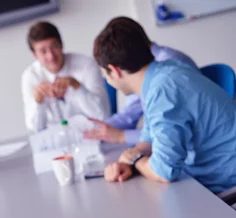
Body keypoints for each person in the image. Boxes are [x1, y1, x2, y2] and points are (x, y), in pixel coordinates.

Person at [93, 20, 236, 193]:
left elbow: (164, 171)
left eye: (105, 75)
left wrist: (136, 160)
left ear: (114, 71)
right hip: (206, 177)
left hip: (225, 185)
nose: (108, 81)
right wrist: (130, 158)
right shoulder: (163, 73)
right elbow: (150, 134)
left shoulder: (163, 89)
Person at [84, 16, 197, 146]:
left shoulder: (163, 77)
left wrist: (123, 139)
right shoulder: (148, 75)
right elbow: (140, 118)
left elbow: (168, 144)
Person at [21, 21, 110, 133]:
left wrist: (77, 87)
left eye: (54, 47)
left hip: (91, 136)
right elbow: (35, 129)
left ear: (61, 44)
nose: (51, 56)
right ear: (34, 55)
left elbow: (103, 116)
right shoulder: (30, 76)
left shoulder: (87, 65)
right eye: (43, 51)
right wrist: (38, 102)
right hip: (54, 143)